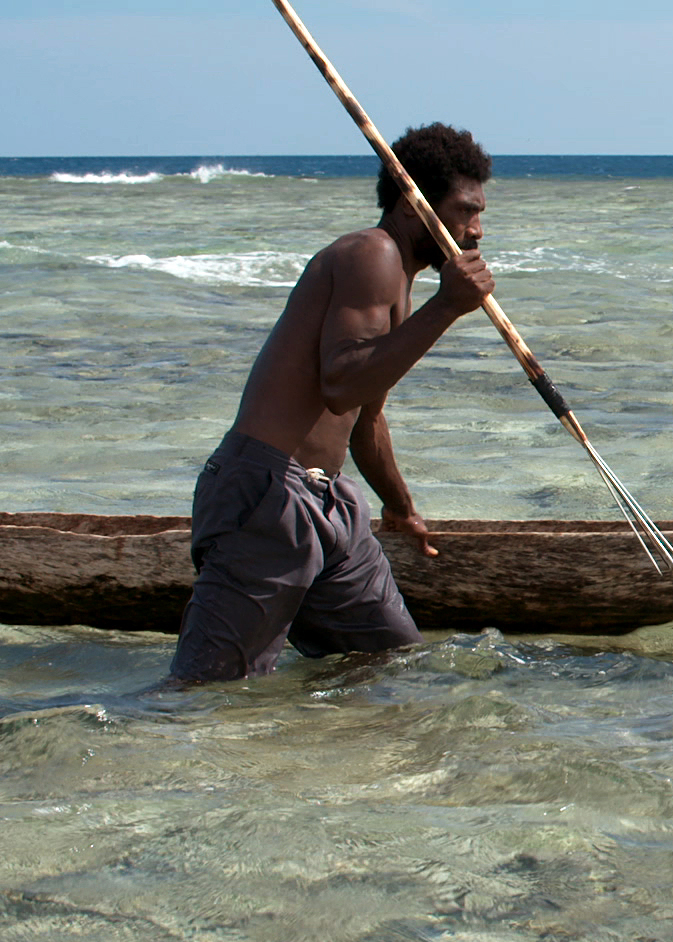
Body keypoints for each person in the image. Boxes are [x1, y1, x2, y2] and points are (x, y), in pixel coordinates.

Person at [169, 123, 495, 683]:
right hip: (267, 497)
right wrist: (446, 308)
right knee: (204, 690)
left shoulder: (401, 280)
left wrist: (399, 507)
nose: (476, 231)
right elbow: (342, 381)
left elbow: (364, 417)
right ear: (415, 203)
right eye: (465, 211)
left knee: (390, 667)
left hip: (329, 504)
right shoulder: (371, 254)